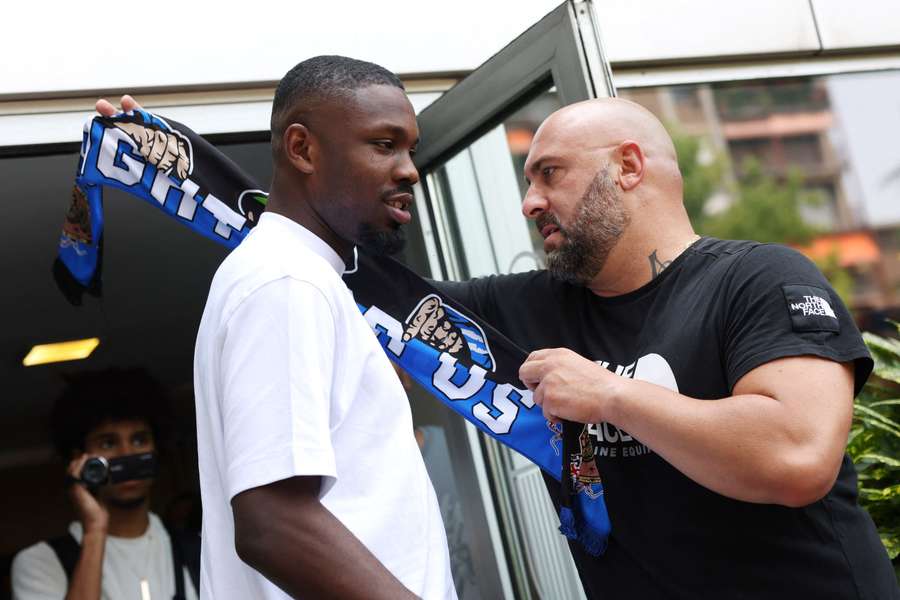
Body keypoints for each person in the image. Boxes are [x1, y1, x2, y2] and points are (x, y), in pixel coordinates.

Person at [434, 97, 899, 599]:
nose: (530, 201)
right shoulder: (528, 305)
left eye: (550, 173)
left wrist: (610, 394)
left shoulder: (760, 278)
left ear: (628, 167)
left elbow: (797, 456)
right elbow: (370, 298)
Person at [97, 55, 455, 599]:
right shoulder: (286, 282)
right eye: (384, 145)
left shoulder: (304, 278)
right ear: (302, 149)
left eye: (410, 148)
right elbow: (273, 524)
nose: (408, 168)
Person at [11, 368, 198, 600]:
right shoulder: (42, 562)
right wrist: (94, 531)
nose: (126, 454)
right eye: (108, 443)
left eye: (139, 440)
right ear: (79, 458)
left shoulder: (199, 552)